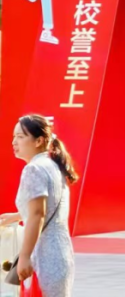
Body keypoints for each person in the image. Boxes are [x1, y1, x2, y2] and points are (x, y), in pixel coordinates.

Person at [0, 115, 77, 296]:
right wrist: (17, 216)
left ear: (39, 141)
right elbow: (48, 206)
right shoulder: (52, 165)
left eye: (20, 137)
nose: (14, 142)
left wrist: (24, 256)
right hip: (61, 253)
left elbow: (38, 215)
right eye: (14, 136)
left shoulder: (33, 169)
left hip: (44, 256)